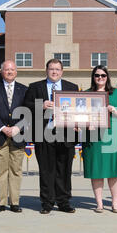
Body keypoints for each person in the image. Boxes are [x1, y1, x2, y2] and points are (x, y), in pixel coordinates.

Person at [23, 59, 79, 214]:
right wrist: (41, 105)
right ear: (46, 70)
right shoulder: (35, 87)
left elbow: (78, 109)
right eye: (51, 69)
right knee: (47, 170)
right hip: (44, 134)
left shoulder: (71, 87)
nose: (54, 72)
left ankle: (64, 201)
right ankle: (47, 202)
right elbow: (25, 105)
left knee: (64, 169)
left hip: (65, 134)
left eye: (57, 69)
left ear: (62, 71)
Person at [82, 65, 117, 213]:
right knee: (97, 170)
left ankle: (115, 203)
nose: (100, 78)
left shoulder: (116, 93)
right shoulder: (87, 93)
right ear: (93, 77)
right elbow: (79, 114)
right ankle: (99, 203)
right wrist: (83, 125)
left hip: (113, 136)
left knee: (114, 170)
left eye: (103, 75)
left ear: (107, 77)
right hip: (93, 137)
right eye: (97, 75)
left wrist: (114, 110)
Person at [0, 60, 27, 214]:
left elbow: (28, 111)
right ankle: (0, 202)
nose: (9, 72)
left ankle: (15, 202)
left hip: (18, 135)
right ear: (1, 71)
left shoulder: (24, 89)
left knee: (16, 170)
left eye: (12, 69)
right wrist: (2, 128)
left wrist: (17, 127)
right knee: (0, 170)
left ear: (16, 72)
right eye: (7, 69)